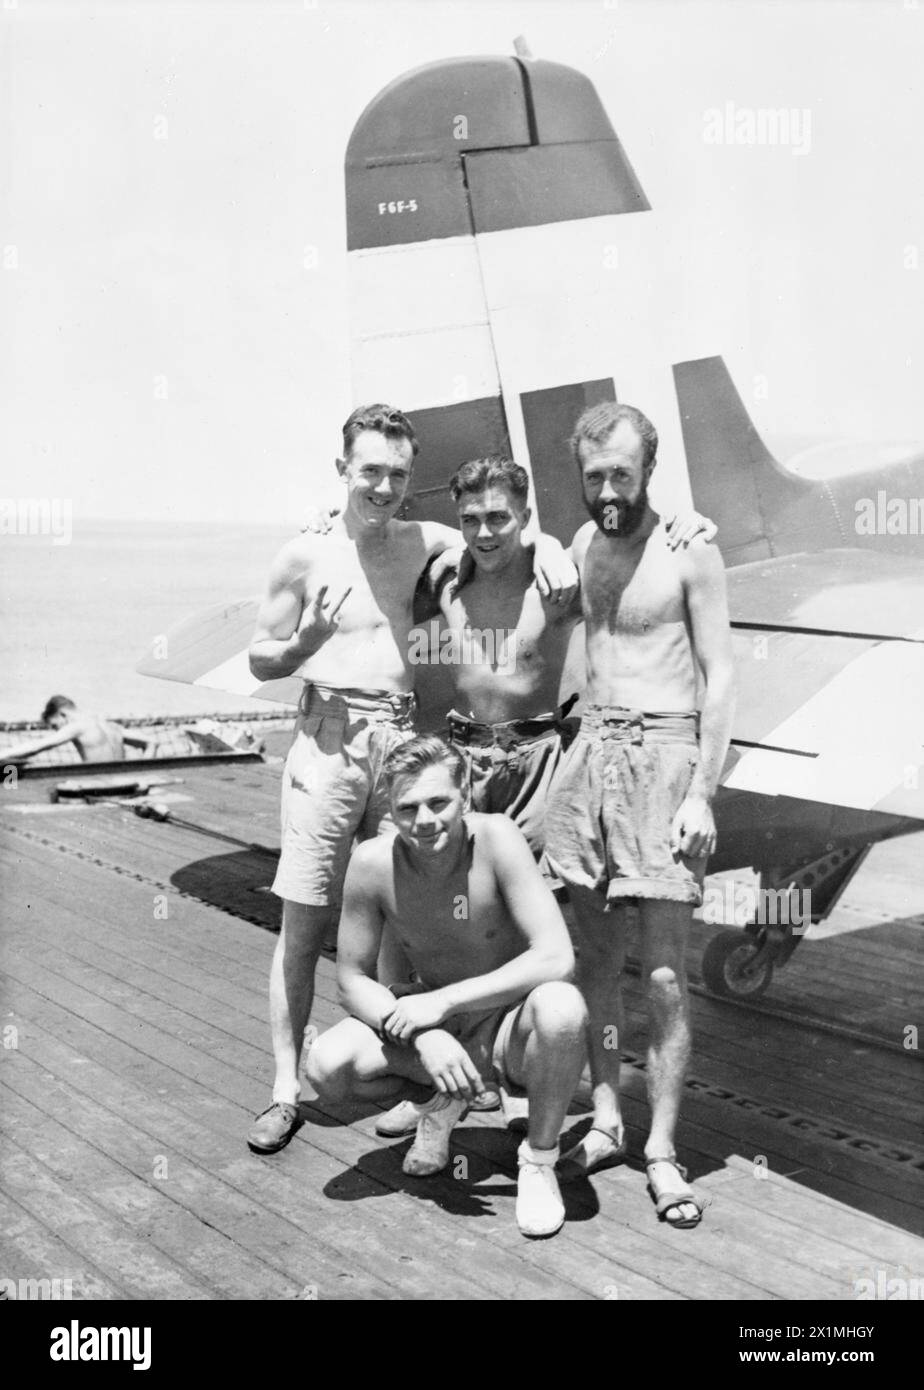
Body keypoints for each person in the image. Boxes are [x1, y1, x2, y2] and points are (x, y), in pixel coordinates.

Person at [246, 404, 576, 1155]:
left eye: (398, 474)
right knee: (304, 923)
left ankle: (420, 1073)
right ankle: (284, 1089)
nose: (385, 486)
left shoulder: (427, 542)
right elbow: (260, 657)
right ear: (343, 471)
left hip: (403, 740)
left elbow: (505, 534)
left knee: (402, 917)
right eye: (371, 471)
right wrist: (306, 640)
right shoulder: (303, 555)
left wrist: (552, 541)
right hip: (330, 739)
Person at [376, 453, 715, 1139]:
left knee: (535, 922)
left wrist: (686, 521)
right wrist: (332, 519)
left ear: (526, 518)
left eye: (500, 517)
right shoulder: (445, 573)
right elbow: (383, 543)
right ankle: (433, 1086)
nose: (485, 531)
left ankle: (521, 1075)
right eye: (470, 518)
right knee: (437, 919)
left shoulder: (558, 576)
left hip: (538, 764)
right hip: (465, 761)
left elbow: (629, 549)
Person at [544, 401, 736, 1227]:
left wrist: (702, 793)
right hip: (591, 755)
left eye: (622, 473)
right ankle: (607, 1120)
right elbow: (483, 539)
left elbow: (719, 677)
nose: (609, 489)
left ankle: (662, 1149)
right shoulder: (584, 545)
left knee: (661, 976)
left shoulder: (692, 550)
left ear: (649, 468)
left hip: (664, 760)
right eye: (595, 477)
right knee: (592, 968)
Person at [305, 735, 588, 1239]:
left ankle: (539, 1160)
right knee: (326, 1066)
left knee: (563, 1008)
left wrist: (442, 1001)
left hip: (506, 1028)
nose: (426, 821)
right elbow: (350, 980)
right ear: (388, 809)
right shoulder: (372, 863)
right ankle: (440, 1100)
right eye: (407, 808)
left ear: (465, 796)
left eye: (439, 803)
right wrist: (424, 1035)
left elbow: (555, 956)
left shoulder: (499, 838)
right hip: (435, 1026)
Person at [2, 695, 153, 764]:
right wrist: (144, 773)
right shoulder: (108, 724)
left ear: (63, 714)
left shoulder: (77, 726)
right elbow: (151, 742)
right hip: (127, 783)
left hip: (100, 785)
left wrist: (3, 754)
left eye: (55, 726)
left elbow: (38, 746)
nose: (57, 731)